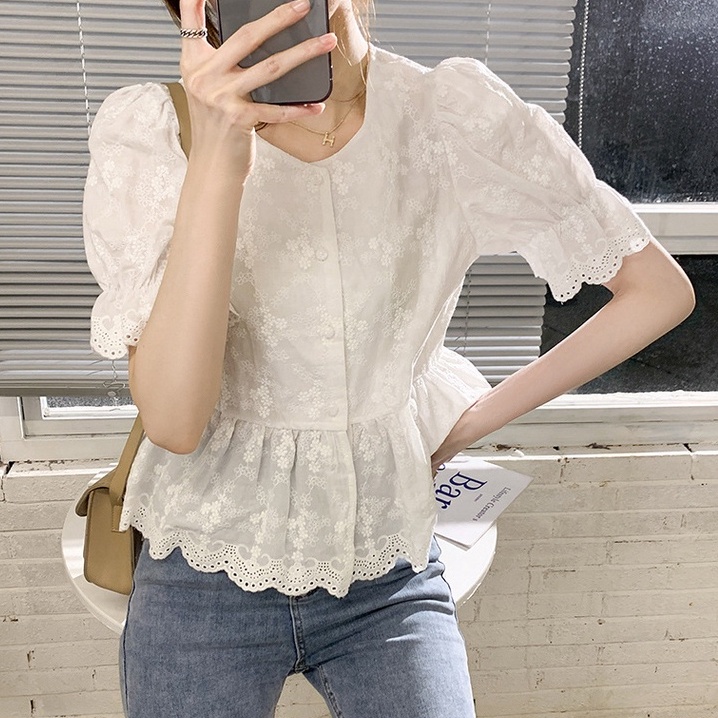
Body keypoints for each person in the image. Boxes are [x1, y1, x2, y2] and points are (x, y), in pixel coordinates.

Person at [82, 0, 695, 716]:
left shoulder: (450, 116)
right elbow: (175, 422)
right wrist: (217, 160)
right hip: (201, 560)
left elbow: (657, 292)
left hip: (386, 565)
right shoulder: (155, 132)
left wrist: (465, 424)